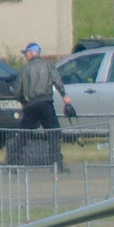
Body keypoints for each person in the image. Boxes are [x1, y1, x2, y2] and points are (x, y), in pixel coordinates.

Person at [11, 42, 72, 172]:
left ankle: (11, 163)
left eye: (26, 53)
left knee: (23, 134)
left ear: (32, 53)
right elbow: (57, 81)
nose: (25, 56)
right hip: (45, 104)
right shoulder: (48, 65)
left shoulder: (24, 69)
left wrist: (23, 101)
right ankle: (57, 165)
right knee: (53, 133)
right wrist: (64, 96)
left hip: (30, 105)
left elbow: (17, 92)